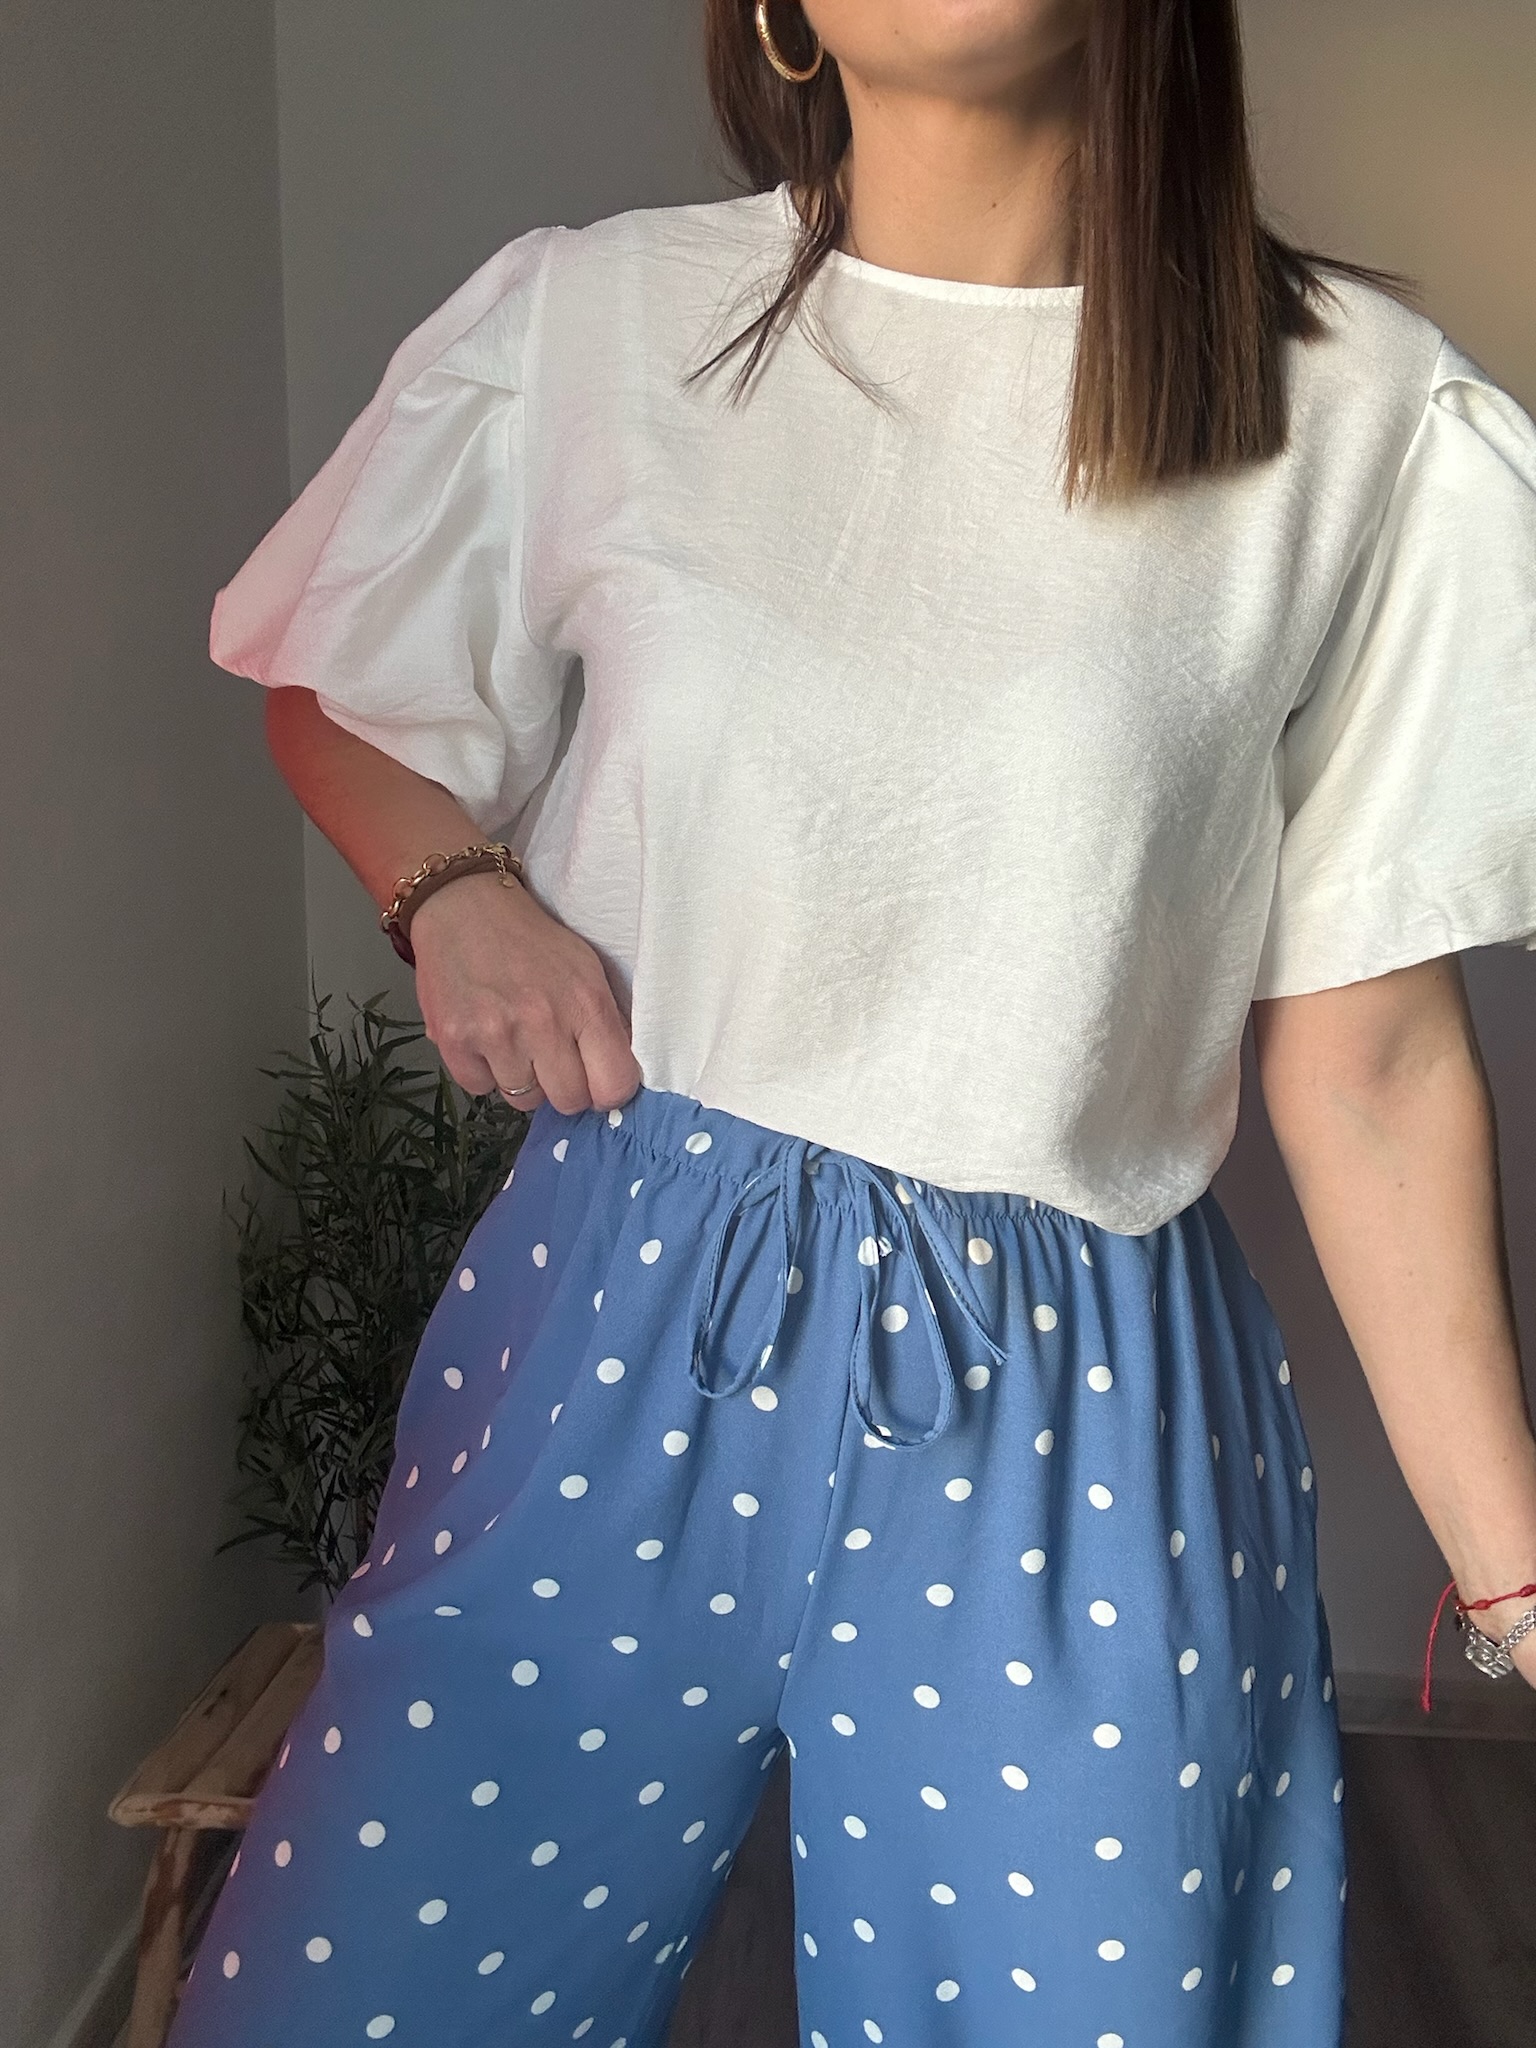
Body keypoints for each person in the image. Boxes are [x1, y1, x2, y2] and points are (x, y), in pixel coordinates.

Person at [170, 3, 1536, 2044]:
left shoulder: (1356, 412)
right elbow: (336, 679)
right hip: (625, 1306)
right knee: (364, 1993)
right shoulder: (595, 323)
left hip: (1076, 1412)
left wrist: (1518, 1576)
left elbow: (1372, 1056)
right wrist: (455, 894)